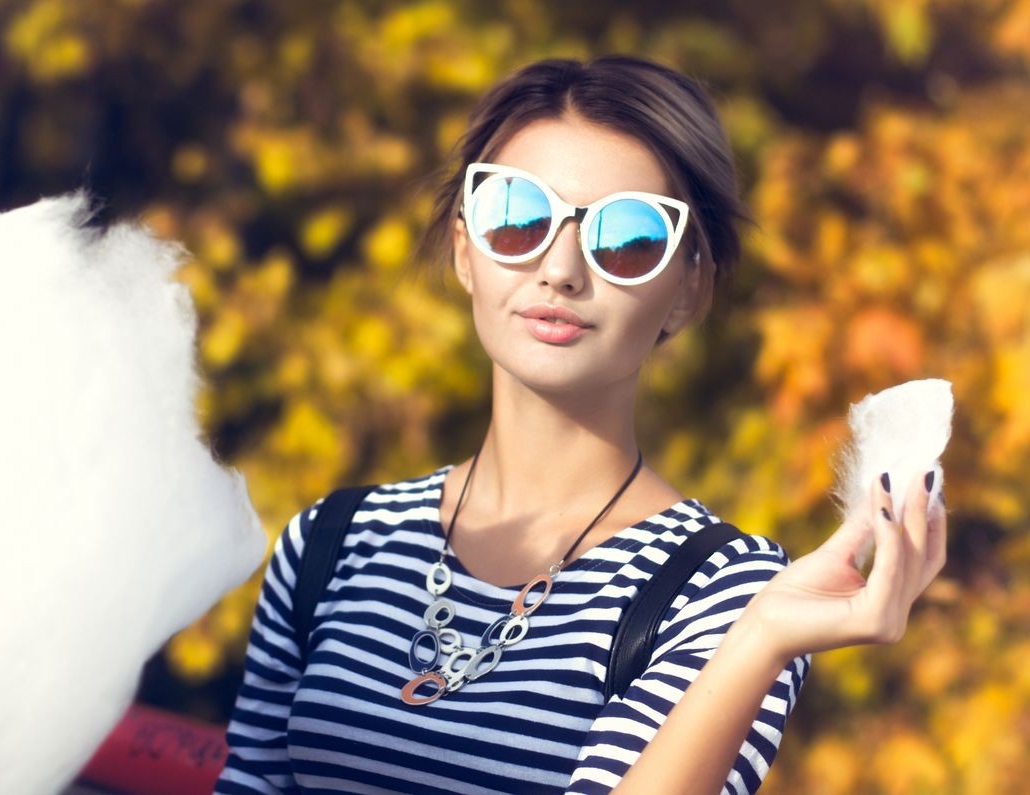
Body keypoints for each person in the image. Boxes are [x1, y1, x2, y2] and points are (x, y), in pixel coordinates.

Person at [217, 54, 947, 794]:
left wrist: (761, 641)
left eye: (628, 236)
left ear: (689, 288)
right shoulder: (331, 543)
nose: (560, 267)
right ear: (466, 249)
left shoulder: (726, 593)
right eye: (517, 214)